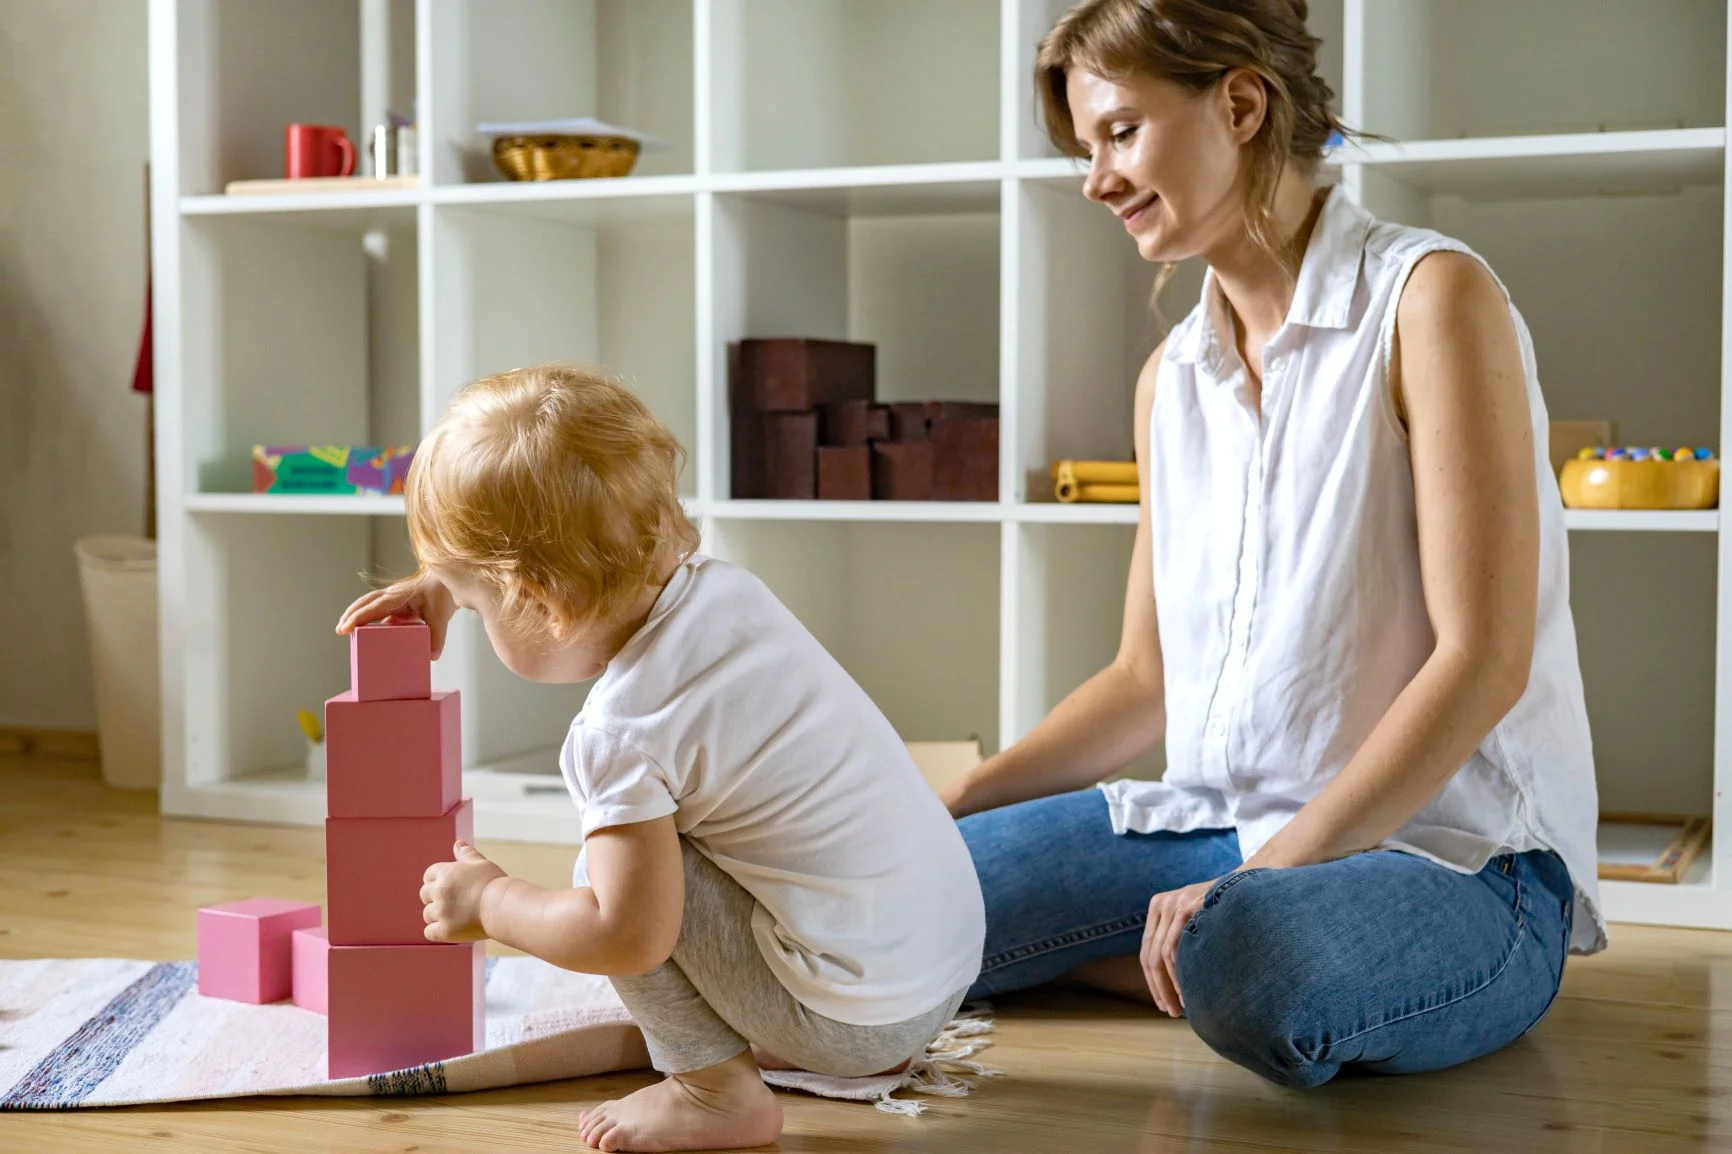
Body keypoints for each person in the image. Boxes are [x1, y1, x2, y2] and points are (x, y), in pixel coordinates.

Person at [942, 0, 1602, 1089]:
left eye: (1118, 133)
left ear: (1241, 103)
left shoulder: (1430, 301)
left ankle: (1178, 952)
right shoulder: (1171, 378)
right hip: (1217, 825)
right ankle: (1171, 951)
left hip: (1453, 861)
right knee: (897, 898)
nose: (1092, 179)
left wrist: (1262, 883)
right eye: (1083, 147)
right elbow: (1141, 680)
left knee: (1253, 958)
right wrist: (953, 803)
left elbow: (1482, 660)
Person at [337, 365, 984, 1153]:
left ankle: (713, 1093)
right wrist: (444, 582)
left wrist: (494, 903)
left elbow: (626, 937)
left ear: (541, 603)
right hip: (942, 966)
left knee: (603, 881)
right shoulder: (729, 596)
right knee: (654, 845)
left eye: (473, 605)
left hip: (858, 1020)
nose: (461, 610)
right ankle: (799, 1021)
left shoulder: (619, 734)